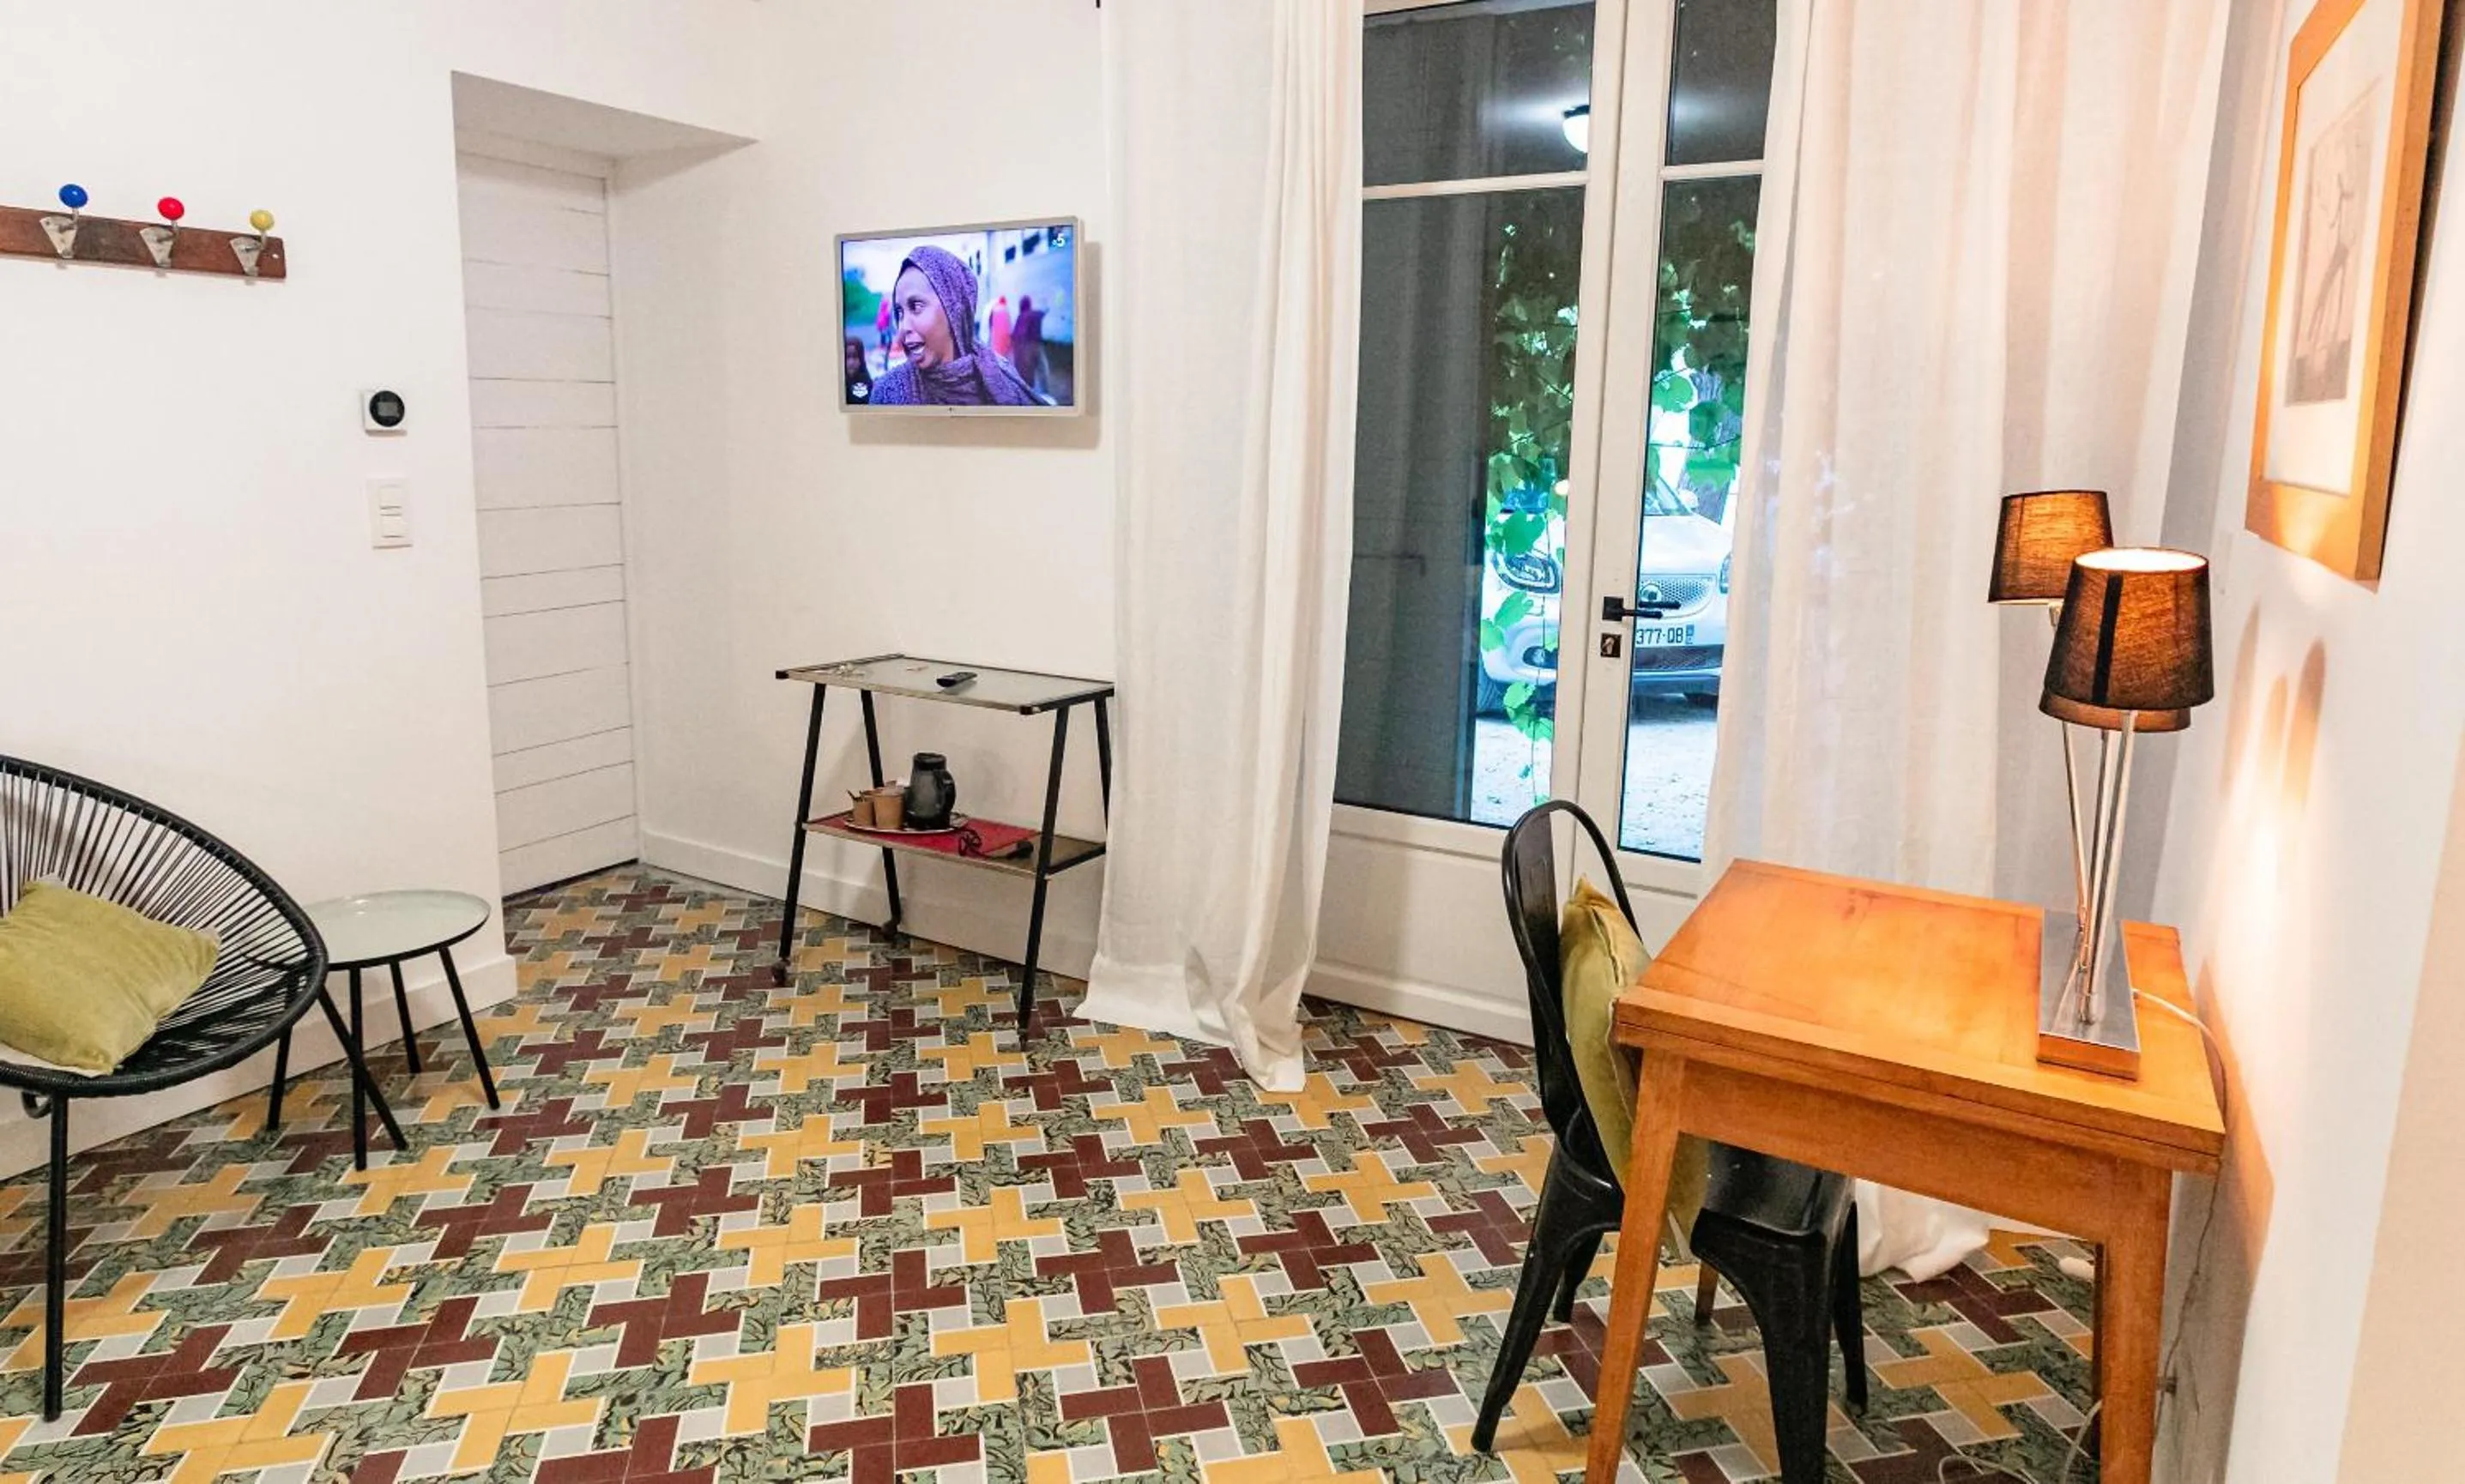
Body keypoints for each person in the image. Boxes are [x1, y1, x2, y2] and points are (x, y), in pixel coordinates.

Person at [868, 246, 1044, 407]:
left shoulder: (1005, 381)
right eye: (899, 312)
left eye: (916, 306)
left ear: (953, 309)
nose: (903, 328)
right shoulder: (888, 394)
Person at [1011, 294, 1048, 397]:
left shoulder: (1021, 316)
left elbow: (1016, 334)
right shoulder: (1036, 314)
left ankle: (1028, 393)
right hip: (1038, 346)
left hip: (1026, 347)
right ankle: (1045, 392)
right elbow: (1044, 312)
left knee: (1027, 370)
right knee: (1042, 369)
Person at [843, 336, 874, 404]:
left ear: (861, 359)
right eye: (847, 357)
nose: (851, 363)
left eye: (855, 357)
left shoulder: (864, 380)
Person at [990, 294, 1013, 359]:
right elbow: (1009, 325)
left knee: (997, 352)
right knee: (1005, 352)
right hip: (1004, 335)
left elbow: (992, 324)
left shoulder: (994, 310)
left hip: (996, 335)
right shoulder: (1006, 310)